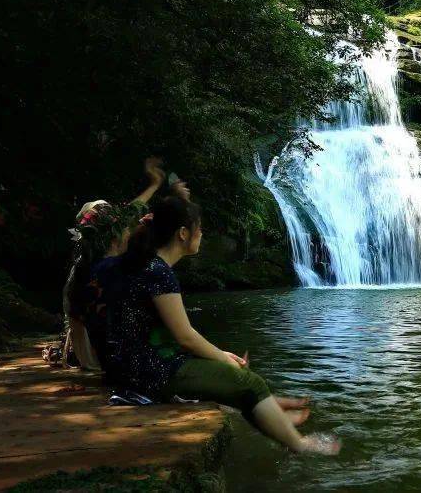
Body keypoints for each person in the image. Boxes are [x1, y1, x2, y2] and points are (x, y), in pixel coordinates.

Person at [105, 194, 339, 455]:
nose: (202, 233)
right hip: (149, 372)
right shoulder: (159, 273)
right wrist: (224, 360)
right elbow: (185, 337)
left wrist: (222, 356)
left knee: (237, 378)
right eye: (200, 228)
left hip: (133, 366)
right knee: (251, 383)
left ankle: (276, 420)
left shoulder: (146, 267)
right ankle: (299, 445)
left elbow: (174, 337)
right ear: (183, 233)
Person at [58, 157, 176, 369]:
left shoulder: (83, 266)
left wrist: (154, 185)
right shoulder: (112, 269)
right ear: (112, 235)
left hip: (88, 357)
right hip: (107, 362)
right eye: (122, 226)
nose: (128, 229)